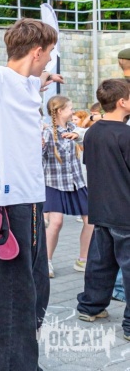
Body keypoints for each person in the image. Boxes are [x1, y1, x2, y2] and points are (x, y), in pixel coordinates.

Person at [0, 18, 61, 371]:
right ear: (36, 51)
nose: (49, 59)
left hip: (29, 200)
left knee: (34, 289)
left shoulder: (26, 83)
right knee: (12, 294)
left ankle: (24, 362)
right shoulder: (0, 80)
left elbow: (36, 80)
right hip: (10, 204)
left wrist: (46, 78)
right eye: (49, 53)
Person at [75, 79, 130, 342]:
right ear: (122, 102)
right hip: (125, 210)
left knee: (100, 262)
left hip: (100, 208)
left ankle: (90, 307)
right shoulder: (126, 135)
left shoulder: (92, 132)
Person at [41, 95, 93, 278]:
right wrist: (39, 146)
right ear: (60, 111)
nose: (73, 111)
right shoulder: (48, 133)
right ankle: (46, 262)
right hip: (54, 183)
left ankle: (83, 260)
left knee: (91, 221)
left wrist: (81, 133)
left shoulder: (73, 128)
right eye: (70, 108)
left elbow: (89, 133)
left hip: (76, 182)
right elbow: (37, 156)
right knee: (56, 222)